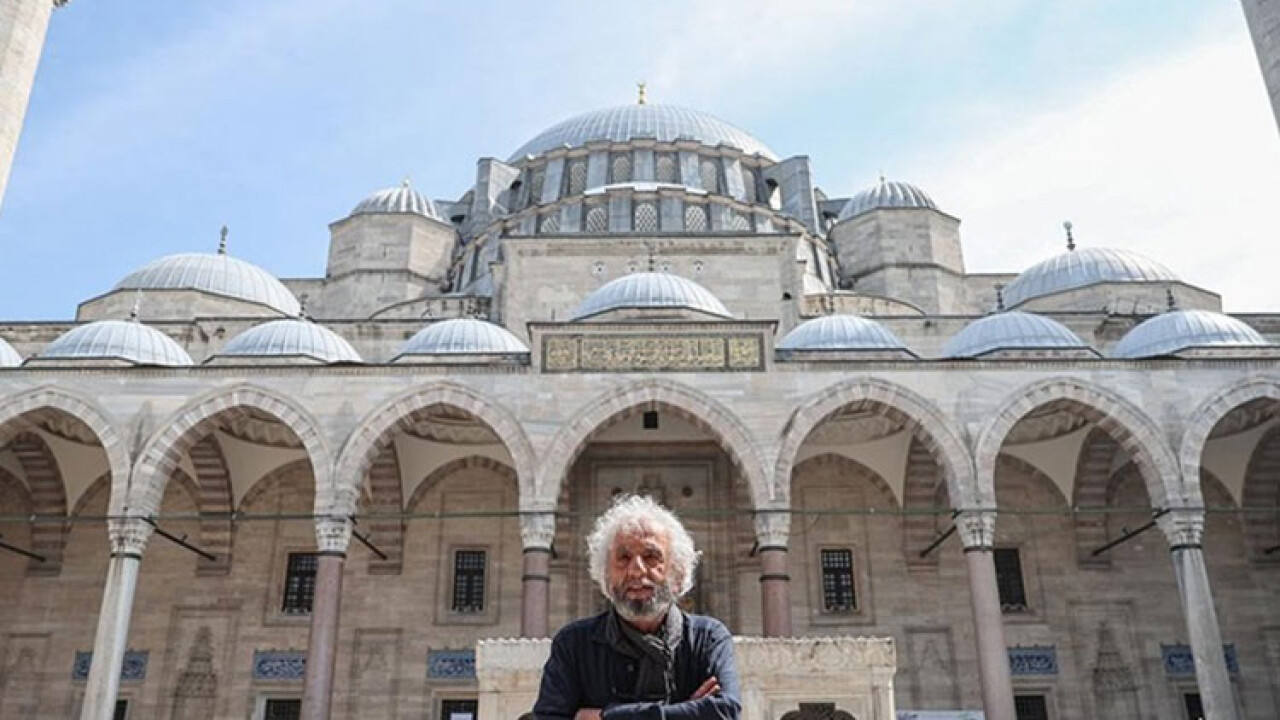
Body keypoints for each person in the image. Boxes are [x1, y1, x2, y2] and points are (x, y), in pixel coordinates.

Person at [532, 494, 742, 720]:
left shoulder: (706, 639)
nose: (636, 570)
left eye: (651, 556)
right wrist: (688, 711)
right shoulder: (574, 645)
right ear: (605, 575)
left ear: (678, 573)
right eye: (623, 558)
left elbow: (726, 712)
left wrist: (606, 716)